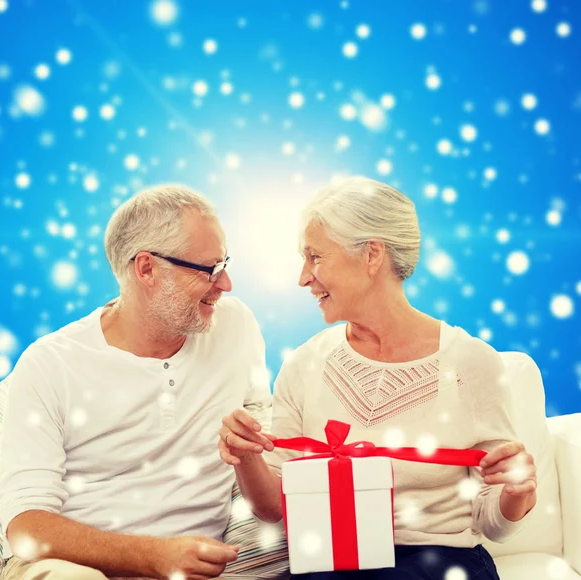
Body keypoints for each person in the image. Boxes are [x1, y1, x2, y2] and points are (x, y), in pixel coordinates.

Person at [219, 176, 537, 580]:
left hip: (440, 562)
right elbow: (274, 510)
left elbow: (494, 522)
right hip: (334, 563)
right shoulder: (305, 364)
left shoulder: (471, 364)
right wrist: (246, 457)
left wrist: (516, 491)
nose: (303, 277)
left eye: (315, 257)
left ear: (371, 255)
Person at [0, 184, 272, 580]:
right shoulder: (50, 363)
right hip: (72, 567)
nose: (225, 284)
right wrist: (153, 556)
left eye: (225, 263)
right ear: (146, 269)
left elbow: (267, 492)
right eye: (209, 269)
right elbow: (25, 526)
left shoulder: (235, 326)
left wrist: (247, 449)